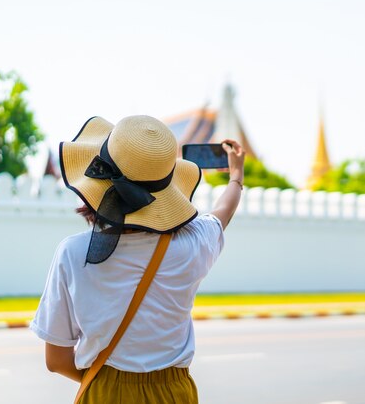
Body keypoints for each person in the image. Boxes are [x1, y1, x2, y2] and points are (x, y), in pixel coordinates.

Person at [30, 116, 245, 403]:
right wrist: (236, 176)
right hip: (173, 394)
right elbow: (223, 211)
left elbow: (56, 360)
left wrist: (107, 387)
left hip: (103, 392)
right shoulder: (194, 243)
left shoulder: (72, 254)